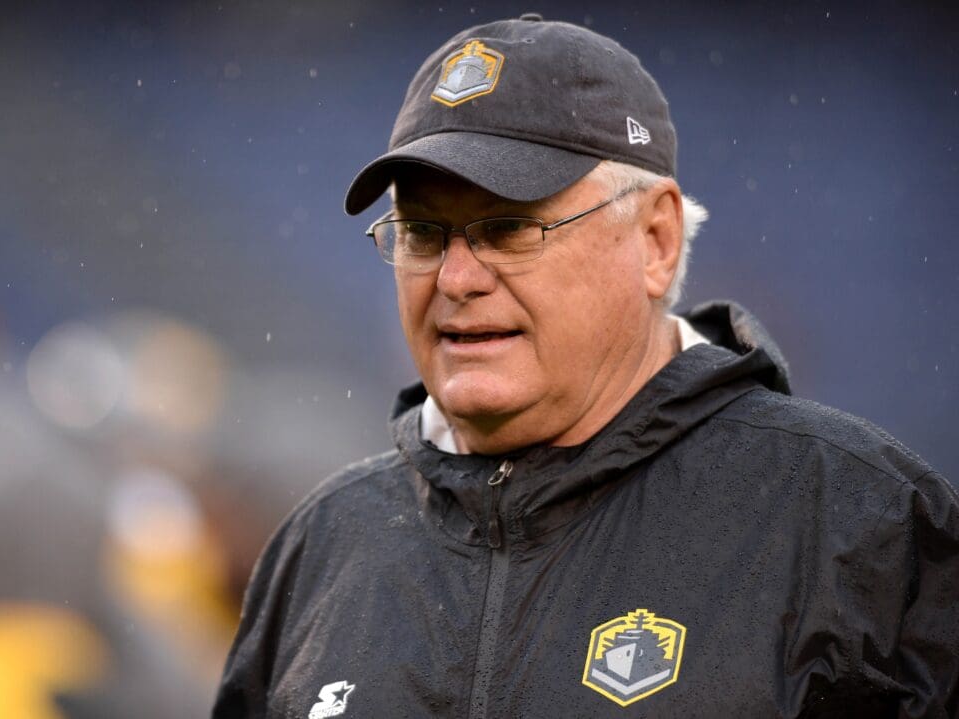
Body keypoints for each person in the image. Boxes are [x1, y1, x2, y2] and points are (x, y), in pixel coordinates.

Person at [213, 15, 959, 719]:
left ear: (657, 240)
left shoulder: (861, 523)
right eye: (422, 232)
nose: (455, 278)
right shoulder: (322, 545)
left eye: (507, 227)